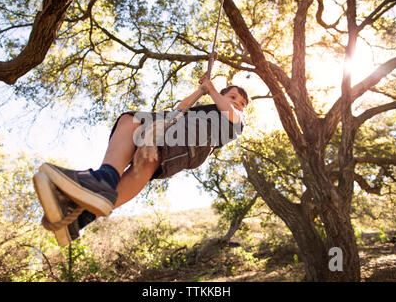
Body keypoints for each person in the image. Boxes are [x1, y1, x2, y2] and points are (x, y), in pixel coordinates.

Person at [33, 75, 250, 246]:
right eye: (233, 97)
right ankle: (81, 217)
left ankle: (102, 182)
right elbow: (179, 110)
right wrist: (201, 91)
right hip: (177, 131)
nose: (238, 104)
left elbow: (229, 112)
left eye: (242, 102)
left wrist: (212, 90)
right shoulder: (210, 106)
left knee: (141, 138)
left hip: (193, 141)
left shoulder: (236, 120)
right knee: (138, 142)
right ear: (223, 96)